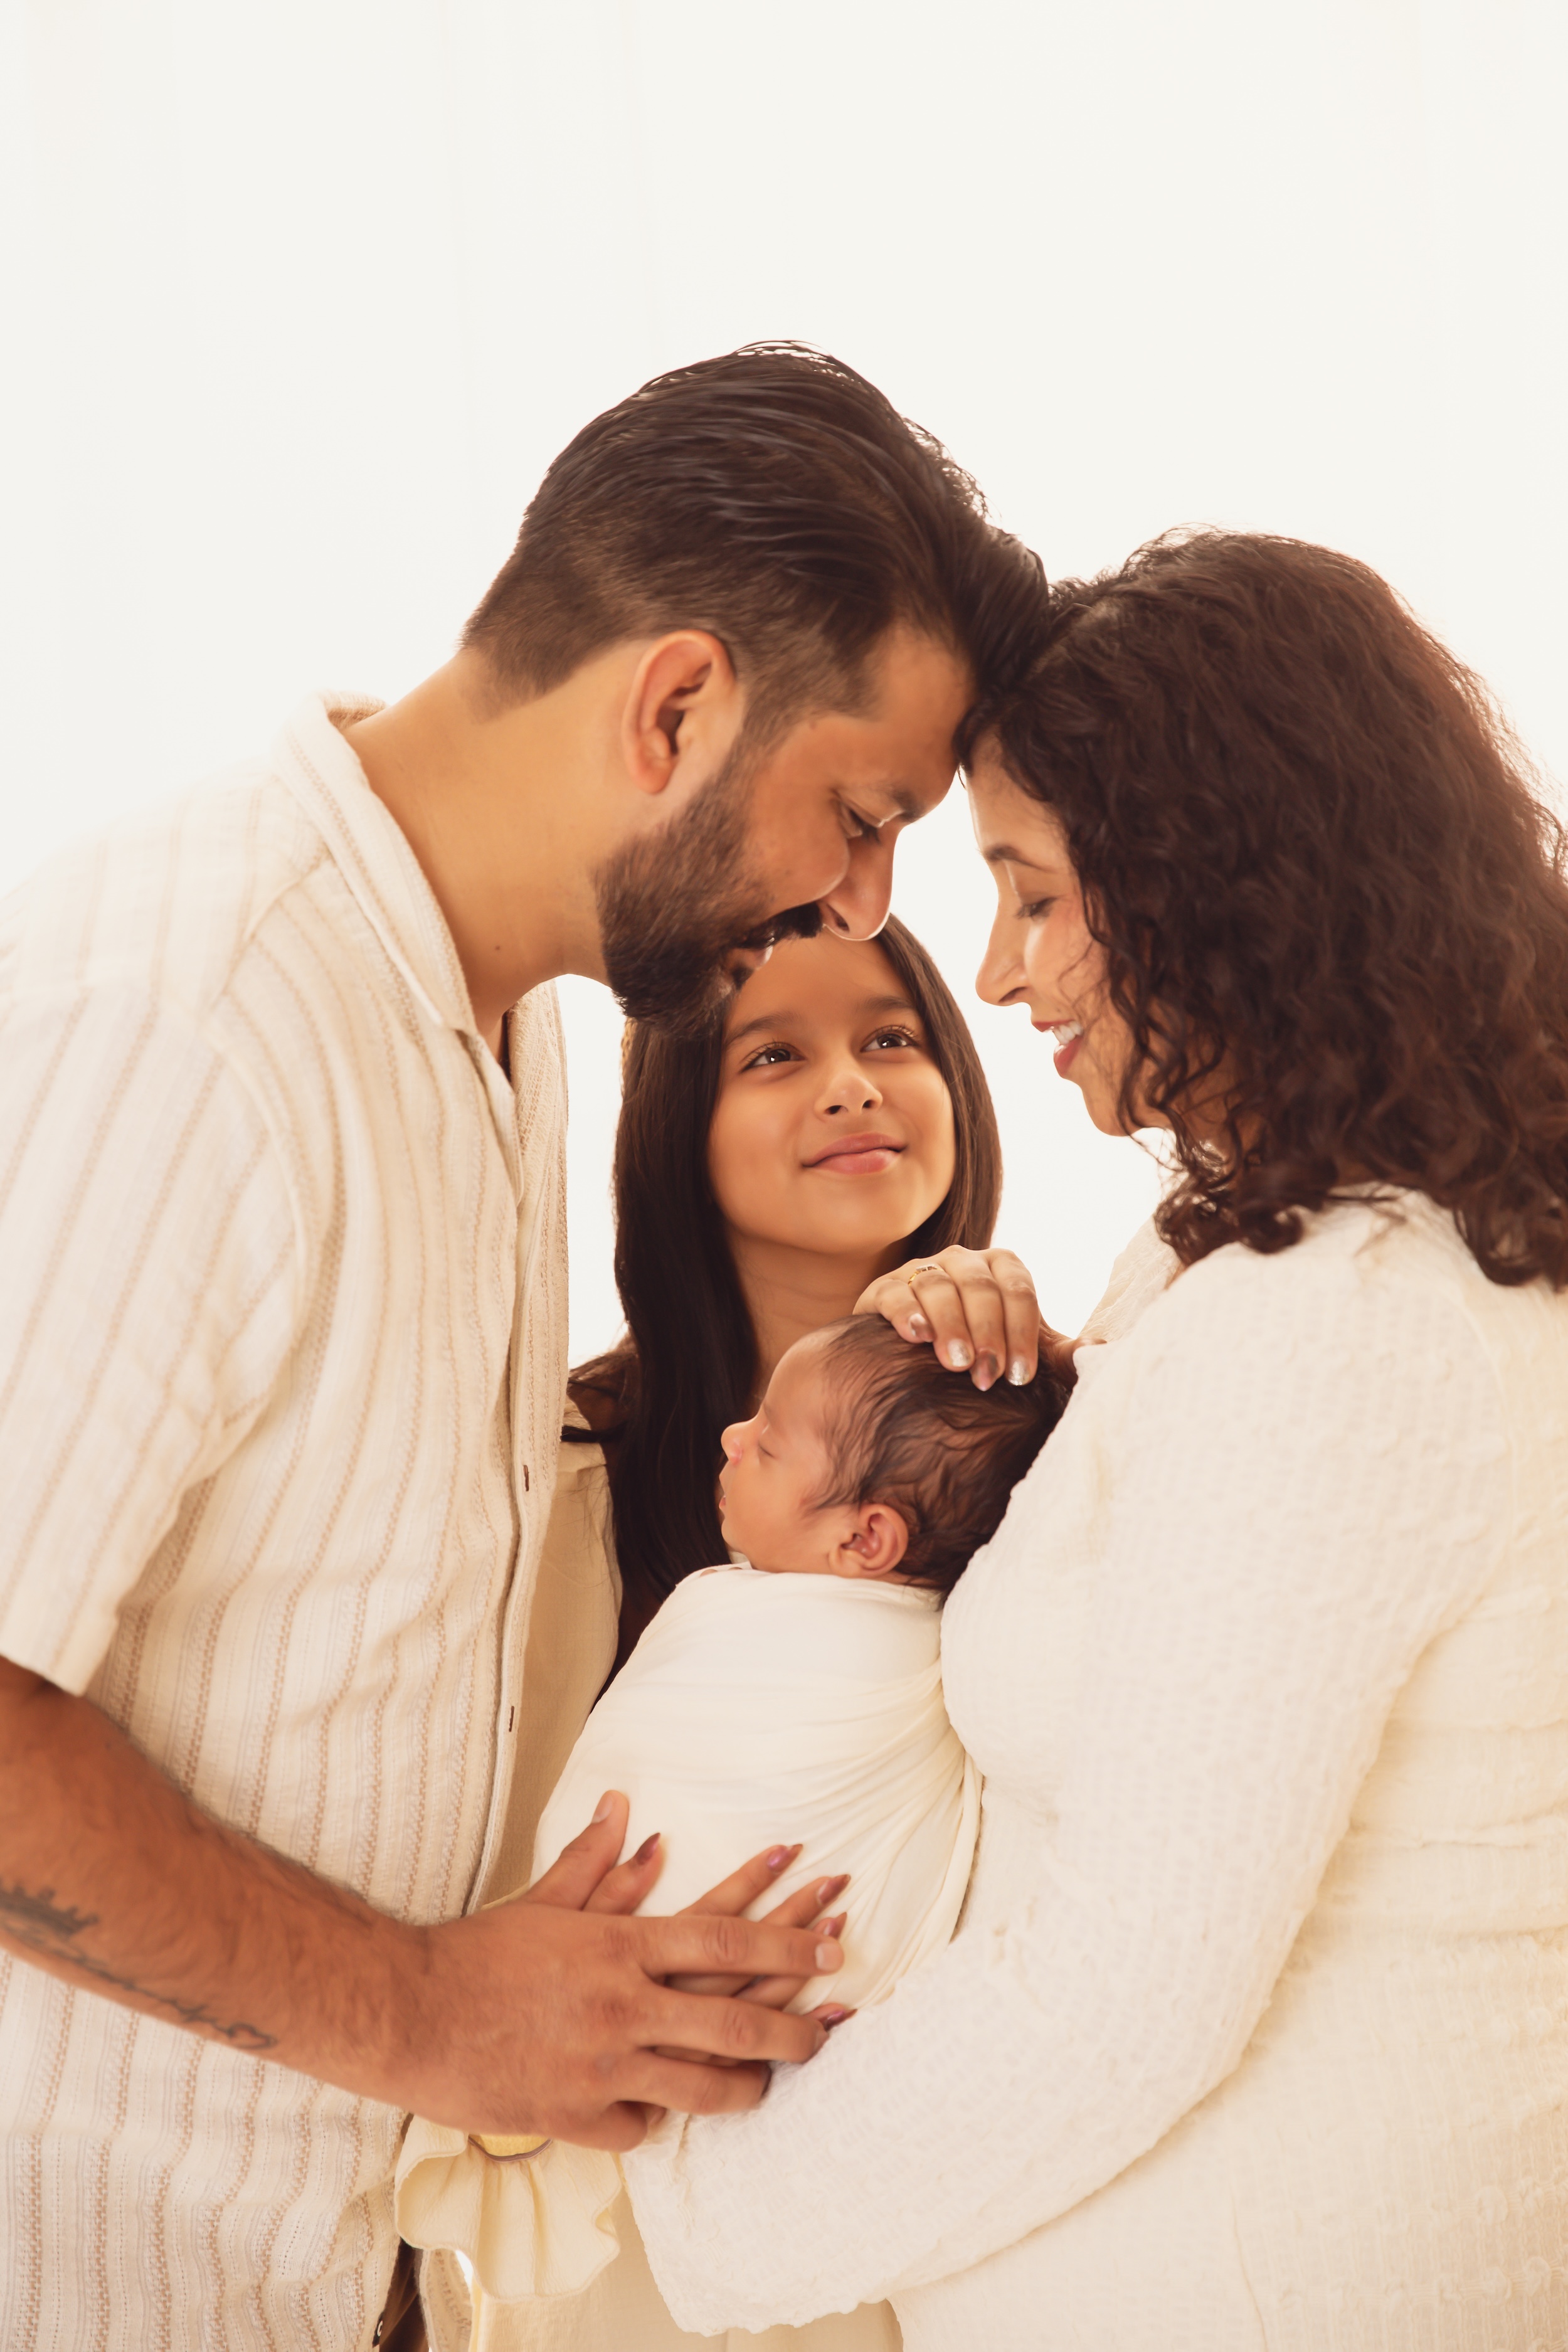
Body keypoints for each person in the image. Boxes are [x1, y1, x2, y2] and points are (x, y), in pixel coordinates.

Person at [0, 343, 1047, 2348]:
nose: (865, 897)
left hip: (329, 2274)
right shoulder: (188, 1010)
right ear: (673, 705)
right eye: (857, 812)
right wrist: (419, 2009)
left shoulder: (513, 1025)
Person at [599, 531, 1568, 2350]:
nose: (999, 965)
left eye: (1036, 895)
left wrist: (694, 2219)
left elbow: (1129, 1986)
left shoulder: (1343, 1324)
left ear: (1222, 887)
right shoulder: (1268, 1259)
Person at [398, 1317, 1065, 2342]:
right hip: (604, 2041)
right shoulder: (615, 1492)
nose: (732, 1437)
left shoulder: (887, 1648)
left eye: (771, 1437)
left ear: (866, 1538)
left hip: (742, 2032)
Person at [493, 909, 1020, 1917]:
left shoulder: (1041, 1433)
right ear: (677, 1124)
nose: (853, 1085)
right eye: (775, 1053)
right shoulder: (556, 1470)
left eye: (891, 1040)